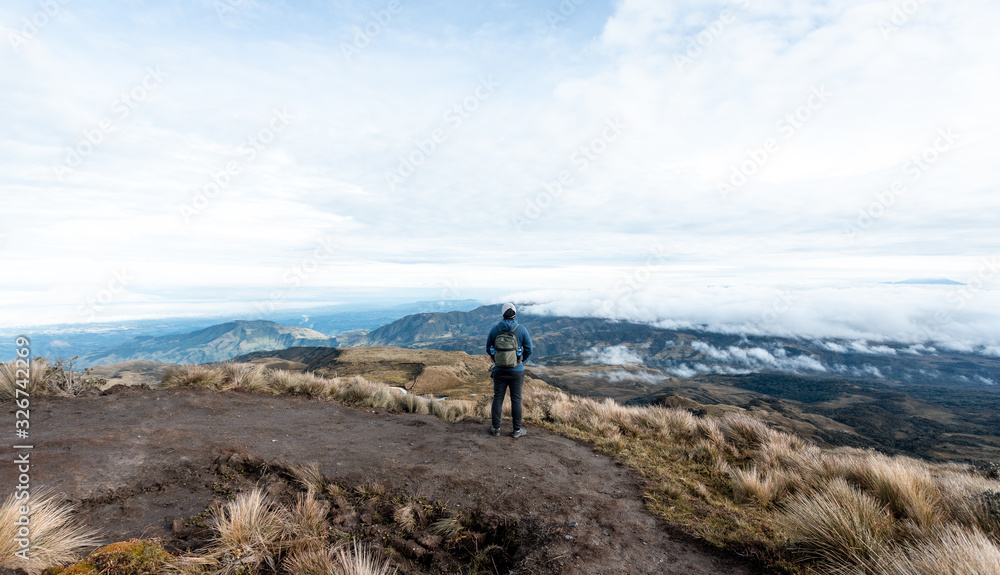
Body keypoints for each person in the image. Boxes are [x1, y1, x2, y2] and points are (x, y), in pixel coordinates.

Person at [486, 303, 533, 438]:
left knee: (498, 399)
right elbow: (529, 349)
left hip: (499, 371)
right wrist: (520, 360)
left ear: (502, 314)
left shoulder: (495, 329)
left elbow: (488, 348)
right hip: (516, 371)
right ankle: (517, 430)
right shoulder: (521, 330)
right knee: (516, 400)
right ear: (515, 314)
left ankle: (496, 429)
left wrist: (496, 360)